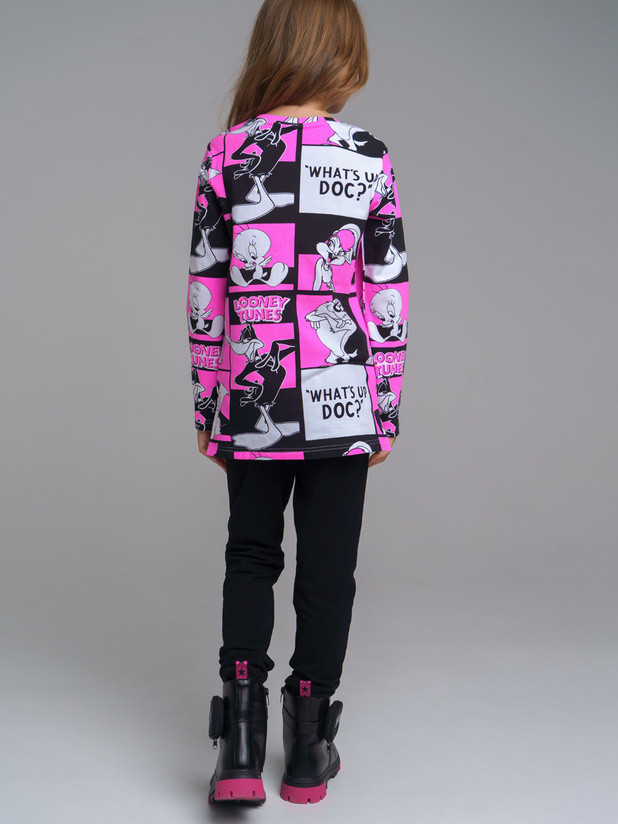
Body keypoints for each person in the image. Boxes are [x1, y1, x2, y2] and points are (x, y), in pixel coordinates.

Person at [186, 0, 409, 806]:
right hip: (343, 397)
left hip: (256, 397)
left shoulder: (226, 155)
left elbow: (207, 292)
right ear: (343, 57)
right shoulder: (369, 157)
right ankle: (310, 745)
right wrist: (384, 409)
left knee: (250, 553)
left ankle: (240, 745)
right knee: (328, 565)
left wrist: (209, 405)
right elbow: (386, 292)